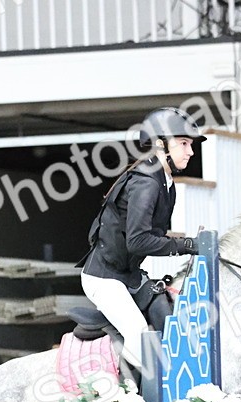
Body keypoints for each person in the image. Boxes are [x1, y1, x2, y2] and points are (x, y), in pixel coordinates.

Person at [80, 107, 205, 369]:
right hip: (104, 278)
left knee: (165, 309)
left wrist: (189, 244)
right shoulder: (147, 182)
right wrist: (187, 246)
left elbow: (153, 235)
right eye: (184, 143)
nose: (190, 151)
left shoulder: (165, 182)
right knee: (138, 333)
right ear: (161, 145)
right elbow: (137, 241)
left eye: (190, 144)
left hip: (128, 274)